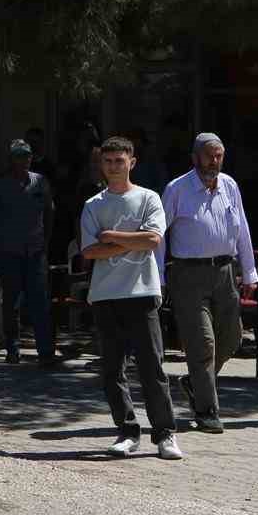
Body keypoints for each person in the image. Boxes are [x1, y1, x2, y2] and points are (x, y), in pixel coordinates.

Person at [80, 137, 181, 459]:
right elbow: (90, 250)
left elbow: (153, 240)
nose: (113, 166)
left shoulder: (149, 198)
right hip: (106, 294)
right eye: (108, 161)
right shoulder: (93, 204)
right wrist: (132, 241)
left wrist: (111, 236)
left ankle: (165, 434)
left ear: (132, 162)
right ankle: (126, 431)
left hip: (143, 292)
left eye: (119, 161)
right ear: (102, 164)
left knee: (152, 367)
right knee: (112, 369)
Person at [159, 132, 257, 434]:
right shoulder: (177, 189)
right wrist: (158, 277)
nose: (214, 161)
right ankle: (207, 411)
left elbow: (242, 230)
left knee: (232, 338)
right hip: (188, 275)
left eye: (218, 156)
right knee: (202, 343)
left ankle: (195, 382)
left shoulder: (229, 185)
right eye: (208, 156)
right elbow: (158, 236)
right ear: (195, 157)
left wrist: (249, 272)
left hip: (225, 272)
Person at [0, 139, 58, 366]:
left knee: (39, 302)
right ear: (11, 159)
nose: (23, 160)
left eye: (26, 155)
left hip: (35, 251)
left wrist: (46, 241)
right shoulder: (0, 185)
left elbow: (50, 211)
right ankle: (12, 349)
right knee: (11, 302)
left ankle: (45, 351)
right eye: (18, 156)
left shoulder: (40, 182)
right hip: (8, 251)